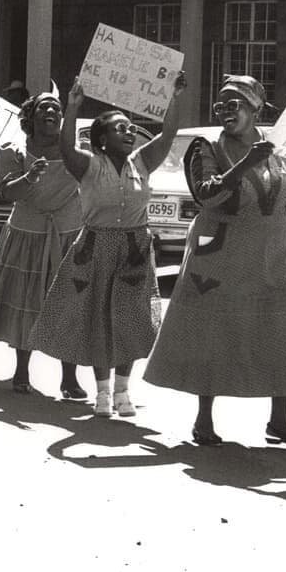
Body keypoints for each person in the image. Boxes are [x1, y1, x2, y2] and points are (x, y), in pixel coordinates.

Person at [144, 76, 286, 446]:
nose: (224, 111)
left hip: (273, 252)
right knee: (215, 331)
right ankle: (204, 420)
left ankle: (280, 422)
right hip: (222, 253)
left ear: (256, 108)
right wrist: (244, 164)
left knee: (283, 332)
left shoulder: (280, 147)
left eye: (234, 104)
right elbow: (207, 194)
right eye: (220, 105)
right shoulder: (207, 147)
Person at [27, 72, 186, 417]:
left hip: (134, 248)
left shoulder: (142, 162)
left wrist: (173, 98)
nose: (129, 132)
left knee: (131, 318)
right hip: (95, 248)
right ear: (101, 138)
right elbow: (66, 148)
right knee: (99, 318)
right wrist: (73, 106)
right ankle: (102, 392)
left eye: (131, 128)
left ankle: (123, 391)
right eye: (120, 128)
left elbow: (168, 133)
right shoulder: (88, 164)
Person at [0, 92, 87, 397]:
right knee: (25, 303)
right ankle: (22, 371)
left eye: (57, 108)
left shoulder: (76, 152)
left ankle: (69, 378)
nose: (51, 111)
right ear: (30, 118)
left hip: (67, 237)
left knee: (69, 306)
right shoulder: (13, 151)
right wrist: (29, 178)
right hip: (27, 237)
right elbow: (8, 193)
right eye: (43, 107)